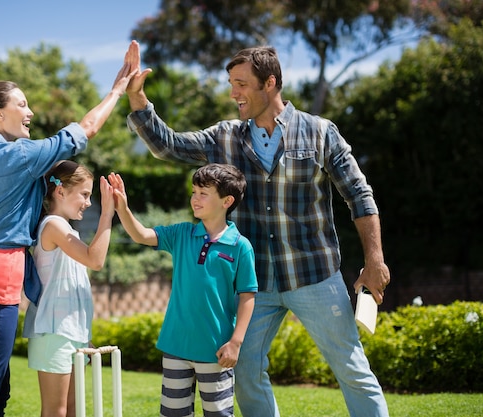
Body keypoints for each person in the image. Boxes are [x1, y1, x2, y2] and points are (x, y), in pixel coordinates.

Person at [124, 41, 391, 417]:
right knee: (246, 373)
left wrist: (374, 259)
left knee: (351, 367)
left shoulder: (320, 132)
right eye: (231, 83)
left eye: (242, 84)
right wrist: (139, 101)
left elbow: (359, 195)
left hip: (314, 273)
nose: (234, 93)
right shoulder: (225, 137)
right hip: (255, 284)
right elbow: (169, 146)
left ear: (270, 83)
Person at [0, 42, 137, 417]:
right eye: (22, 104)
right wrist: (117, 90)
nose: (30, 112)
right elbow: (88, 128)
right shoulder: (21, 157)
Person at [108, 164, 258, 417]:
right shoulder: (181, 234)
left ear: (227, 201)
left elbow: (247, 296)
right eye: (194, 192)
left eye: (203, 193)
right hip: (176, 345)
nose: (195, 199)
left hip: (216, 350)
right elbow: (141, 235)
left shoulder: (240, 246)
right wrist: (122, 208)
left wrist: (236, 342)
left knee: (218, 414)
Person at [22, 160, 113, 417]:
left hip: (70, 333)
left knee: (73, 409)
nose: (89, 202)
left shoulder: (67, 229)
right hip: (53, 332)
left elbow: (73, 287)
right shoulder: (54, 225)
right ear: (60, 191)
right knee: (56, 412)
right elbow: (95, 260)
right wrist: (107, 214)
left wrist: (83, 334)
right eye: (84, 194)